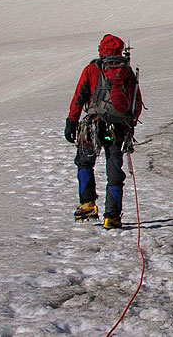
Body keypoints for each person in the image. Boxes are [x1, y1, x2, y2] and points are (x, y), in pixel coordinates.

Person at [64, 34, 143, 230]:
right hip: (117, 128)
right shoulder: (127, 72)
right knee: (114, 170)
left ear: (101, 49)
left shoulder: (92, 69)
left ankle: (88, 205)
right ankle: (113, 217)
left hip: (93, 126)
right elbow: (136, 102)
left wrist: (71, 122)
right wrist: (129, 124)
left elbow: (79, 97)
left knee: (84, 162)